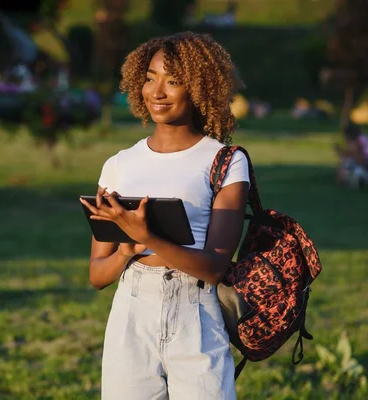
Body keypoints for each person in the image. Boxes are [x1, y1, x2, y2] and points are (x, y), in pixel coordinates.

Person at [79, 32, 250, 399]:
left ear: (200, 88)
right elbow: (97, 275)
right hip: (131, 311)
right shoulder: (118, 166)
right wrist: (126, 250)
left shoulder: (225, 161)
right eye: (150, 77)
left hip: (196, 311)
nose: (157, 92)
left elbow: (215, 267)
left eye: (173, 81)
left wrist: (148, 237)